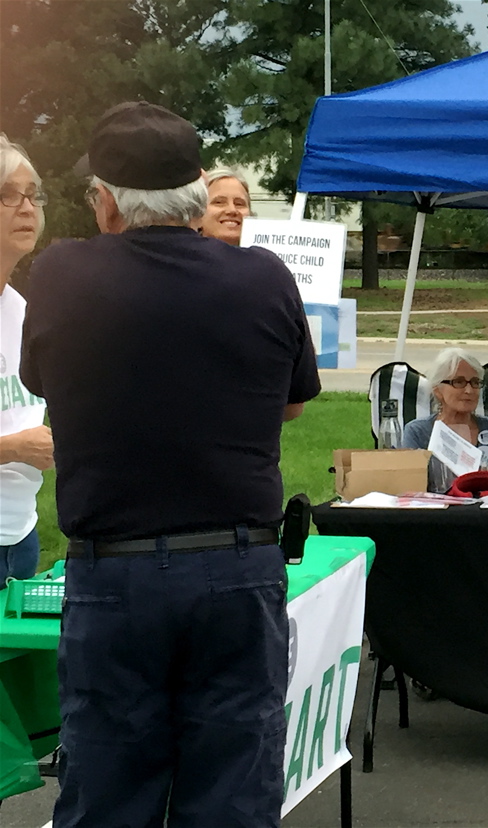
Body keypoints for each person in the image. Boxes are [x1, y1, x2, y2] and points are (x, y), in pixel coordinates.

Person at [21, 102, 320, 828]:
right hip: (236, 565)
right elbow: (290, 406)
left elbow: (38, 382)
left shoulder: (63, 274)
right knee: (232, 792)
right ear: (196, 197)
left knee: (106, 790)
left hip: (114, 571)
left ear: (107, 202)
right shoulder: (264, 277)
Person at [0, 134, 54, 584]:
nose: (26, 208)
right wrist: (14, 449)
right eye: (7, 195)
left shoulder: (22, 309)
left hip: (20, 536)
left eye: (33, 196)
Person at [402, 347, 488, 491]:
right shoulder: (417, 431)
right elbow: (412, 483)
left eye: (475, 382)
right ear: (437, 390)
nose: (469, 390)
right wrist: (485, 478)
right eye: (458, 382)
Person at [198, 166, 252, 245]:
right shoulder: (180, 256)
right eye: (219, 202)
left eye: (239, 204)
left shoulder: (265, 256)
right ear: (197, 213)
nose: (232, 210)